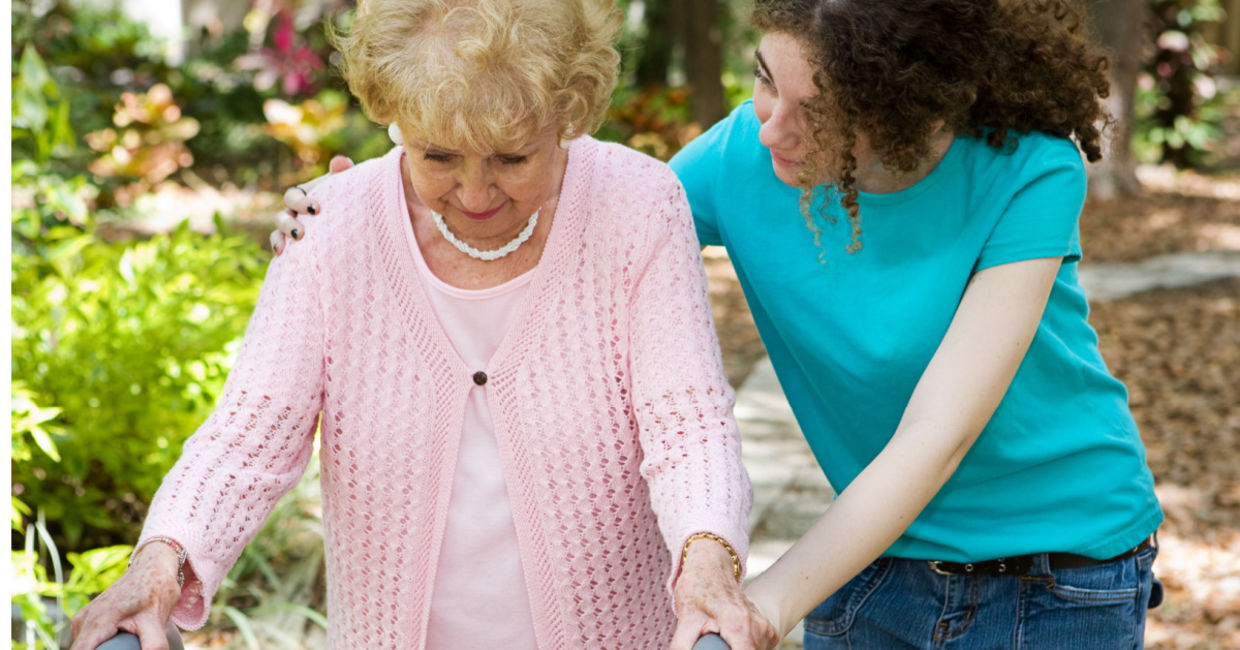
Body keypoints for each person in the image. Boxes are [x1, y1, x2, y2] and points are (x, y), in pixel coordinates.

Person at [277, 0, 1166, 647]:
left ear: (903, 113)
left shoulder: (1027, 171)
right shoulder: (742, 154)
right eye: (764, 84)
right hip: (871, 561)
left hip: (1062, 572)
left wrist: (767, 600)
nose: (772, 126)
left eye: (818, 113)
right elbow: (591, 219)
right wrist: (376, 210)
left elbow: (937, 434)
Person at [69, 1, 778, 649]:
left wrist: (708, 560)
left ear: (568, 114)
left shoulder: (637, 206)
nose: (474, 193)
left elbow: (686, 425)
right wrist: (159, 562)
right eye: (437, 154)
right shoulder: (330, 230)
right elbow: (245, 440)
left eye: (512, 157)